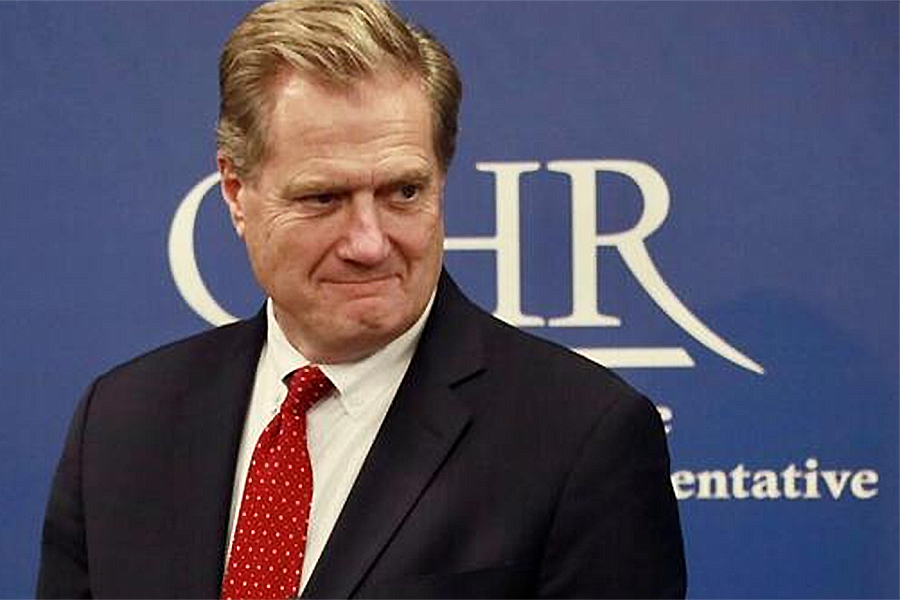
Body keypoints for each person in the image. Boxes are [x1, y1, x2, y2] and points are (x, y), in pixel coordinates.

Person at [37, 0, 686, 597]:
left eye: (404, 192)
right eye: (323, 198)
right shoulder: (121, 423)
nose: (370, 243)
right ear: (236, 192)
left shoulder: (579, 438)